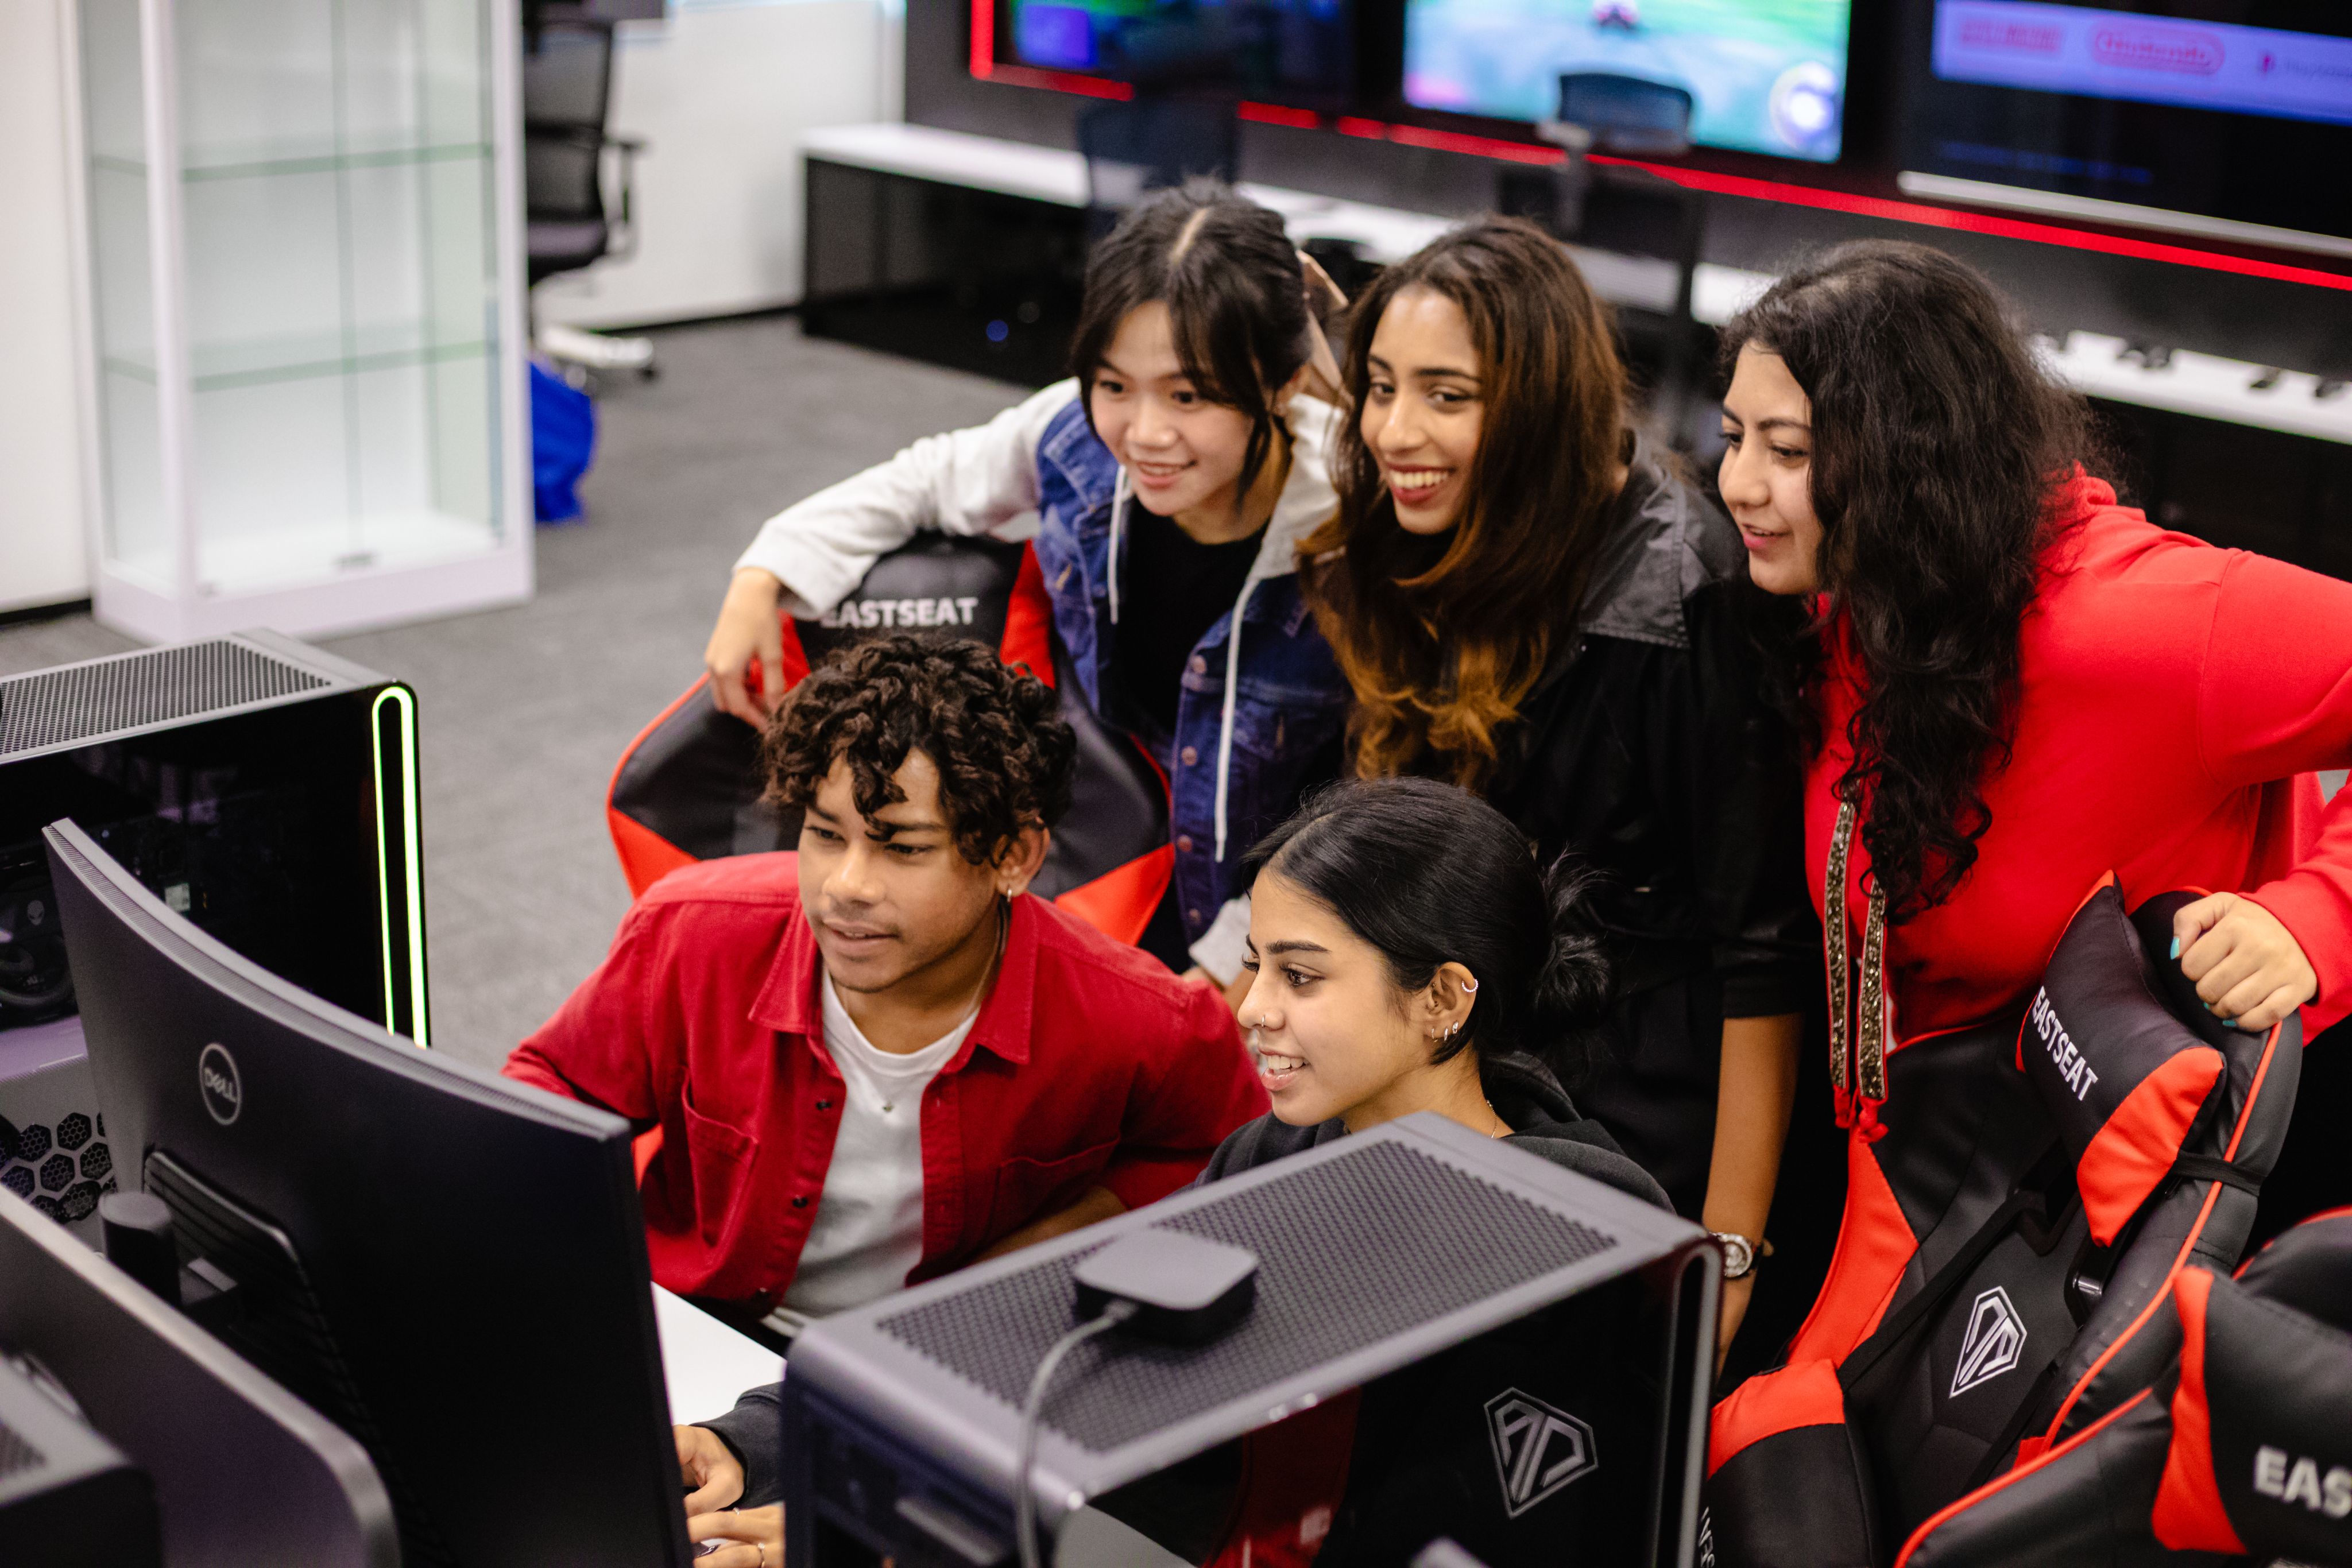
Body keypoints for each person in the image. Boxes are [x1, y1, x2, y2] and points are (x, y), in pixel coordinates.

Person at [1715, 240, 2352, 1257]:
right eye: (1732, 436)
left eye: (1787, 452)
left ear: (1909, 456)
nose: (1737, 483)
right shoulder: (1859, 605)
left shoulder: (2133, 623)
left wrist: (2321, 916)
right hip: (1937, 1182)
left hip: (2141, 1213)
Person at [1299, 217, 1816, 1360]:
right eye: (1378, 386)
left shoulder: (1686, 602)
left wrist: (1726, 1252)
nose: (1392, 429)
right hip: (1489, 1052)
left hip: (1637, 1110)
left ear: (1536, 407)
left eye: (1445, 394)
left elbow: (1761, 959)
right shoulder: (1433, 524)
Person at [702, 183, 1353, 981]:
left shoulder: (1351, 524)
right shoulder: (1075, 440)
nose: (1144, 432)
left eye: (1189, 395)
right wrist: (764, 570)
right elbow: (924, 478)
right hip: (1113, 863)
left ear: (1284, 384)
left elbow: (1367, 791)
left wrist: (1234, 960)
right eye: (1114, 385)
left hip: (1278, 918)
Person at [507, 630, 1263, 1305]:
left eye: (902, 847)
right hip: (705, 1329)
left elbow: (1233, 1154)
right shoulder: (688, 931)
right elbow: (547, 1091)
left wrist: (1042, 1253)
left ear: (1013, 857)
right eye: (825, 834)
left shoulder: (1142, 1016)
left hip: (942, 1375)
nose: (846, 886)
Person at [1201, 775, 1668, 1208]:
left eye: (1298, 975)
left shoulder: (1578, 1217)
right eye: (1254, 964)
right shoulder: (1264, 1157)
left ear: (1442, 998)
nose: (1250, 1010)